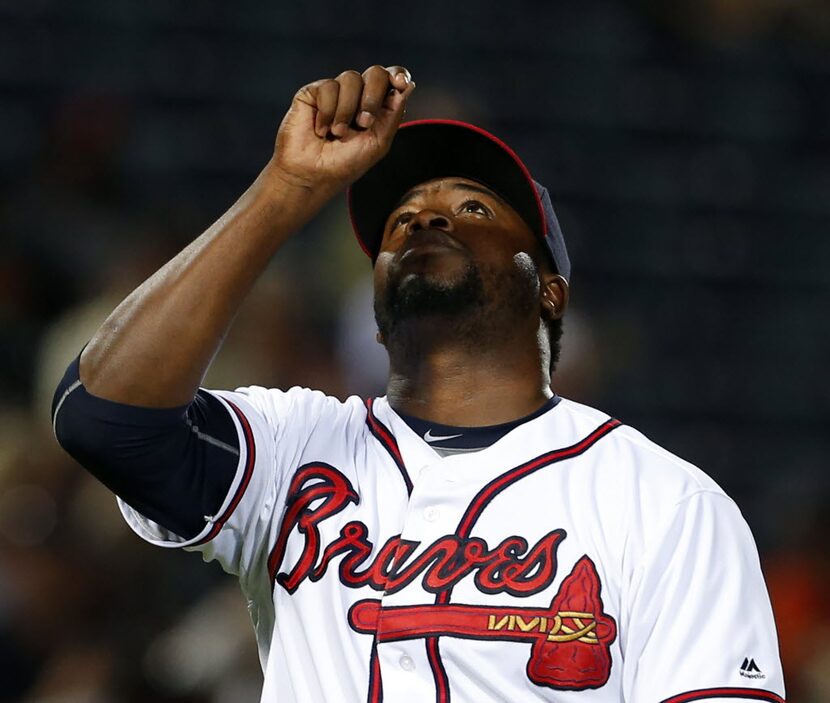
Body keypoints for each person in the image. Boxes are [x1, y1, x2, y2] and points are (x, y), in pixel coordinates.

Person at [52, 65, 785, 703]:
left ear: (551, 294)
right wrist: (285, 189)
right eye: (402, 221)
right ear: (375, 317)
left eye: (473, 209)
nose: (428, 216)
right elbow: (105, 419)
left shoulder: (664, 502)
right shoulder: (292, 445)